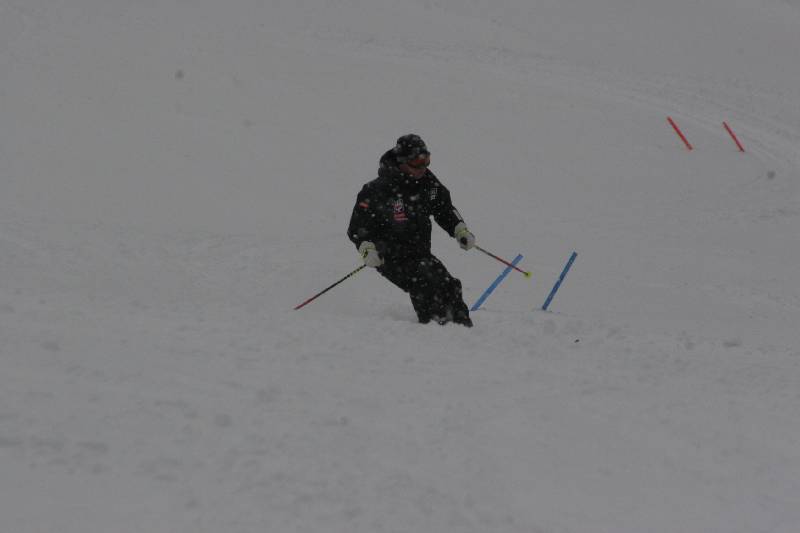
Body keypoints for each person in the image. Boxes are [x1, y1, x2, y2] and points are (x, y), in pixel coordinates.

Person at [347, 134, 476, 327]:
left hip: (419, 252)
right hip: (389, 256)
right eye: (417, 162)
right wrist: (366, 248)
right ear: (402, 162)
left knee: (448, 284)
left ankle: (462, 326)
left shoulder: (428, 183)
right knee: (424, 282)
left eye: (426, 160)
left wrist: (459, 229)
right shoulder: (377, 190)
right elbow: (358, 226)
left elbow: (444, 209)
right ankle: (435, 327)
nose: (422, 167)